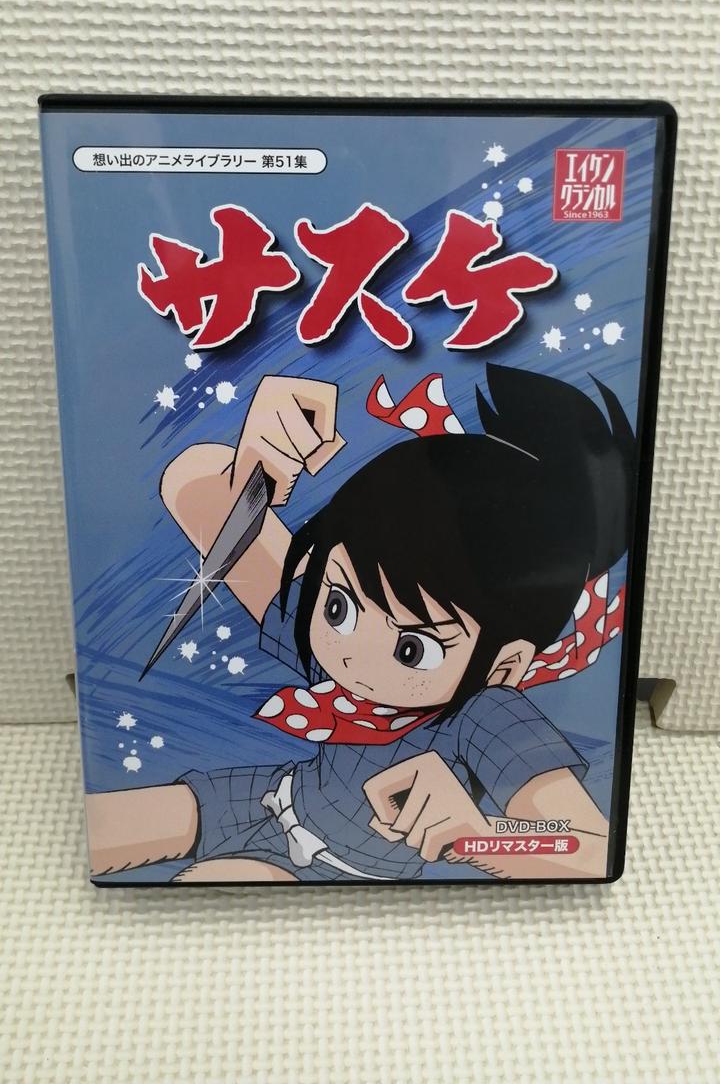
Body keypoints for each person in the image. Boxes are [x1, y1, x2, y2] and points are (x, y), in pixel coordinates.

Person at [87, 365, 633, 882]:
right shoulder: (332, 639)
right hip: (264, 796)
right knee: (110, 826)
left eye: (413, 648)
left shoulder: (489, 714)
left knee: (225, 879)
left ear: (503, 666)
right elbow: (192, 488)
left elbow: (586, 848)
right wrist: (259, 467)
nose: (354, 654)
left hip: (335, 867)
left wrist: (478, 835)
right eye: (340, 606)